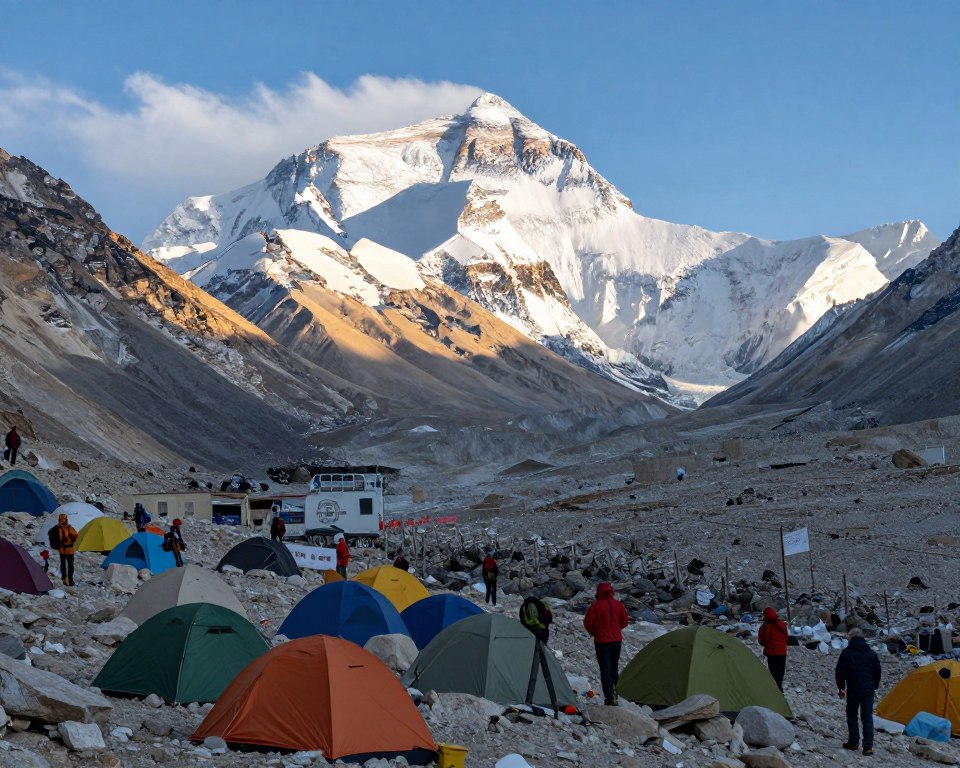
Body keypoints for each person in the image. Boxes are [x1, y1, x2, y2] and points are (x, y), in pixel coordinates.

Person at [836, 627, 881, 756]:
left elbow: (840, 671)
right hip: (868, 689)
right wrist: (874, 685)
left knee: (852, 715)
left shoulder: (846, 653)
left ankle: (854, 742)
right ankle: (868, 747)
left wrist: (841, 687)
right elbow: (877, 671)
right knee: (867, 717)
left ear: (851, 638)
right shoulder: (871, 653)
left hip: (854, 688)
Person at [584, 582, 629, 706]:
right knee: (614, 668)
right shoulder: (618, 605)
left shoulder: (595, 606)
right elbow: (625, 621)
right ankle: (615, 693)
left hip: (602, 641)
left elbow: (588, 623)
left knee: (605, 669)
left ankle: (609, 697)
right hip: (616, 641)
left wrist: (595, 632)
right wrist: (617, 629)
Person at [757, 606, 789, 690]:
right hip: (782, 652)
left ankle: (774, 690)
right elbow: (786, 637)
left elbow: (762, 641)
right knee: (780, 672)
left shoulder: (765, 626)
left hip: (772, 653)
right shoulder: (781, 623)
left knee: (773, 672)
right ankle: (779, 688)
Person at [54, 514, 79, 586]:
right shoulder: (69, 527)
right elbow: (75, 536)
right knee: (70, 565)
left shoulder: (58, 528)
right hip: (69, 549)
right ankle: (70, 579)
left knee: (63, 564)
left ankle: (64, 578)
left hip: (62, 549)